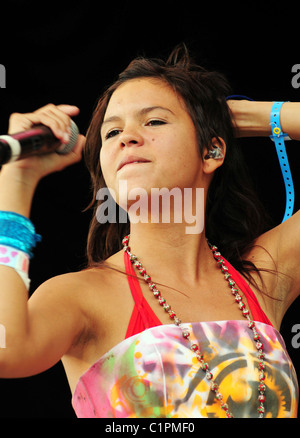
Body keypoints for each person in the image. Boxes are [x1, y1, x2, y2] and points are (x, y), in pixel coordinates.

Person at [0, 46, 299, 418]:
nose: (127, 137)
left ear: (212, 152)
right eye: (112, 132)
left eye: (154, 122)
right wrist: (17, 178)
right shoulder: (82, 296)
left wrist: (253, 116)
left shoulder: (264, 277)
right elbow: (5, 350)